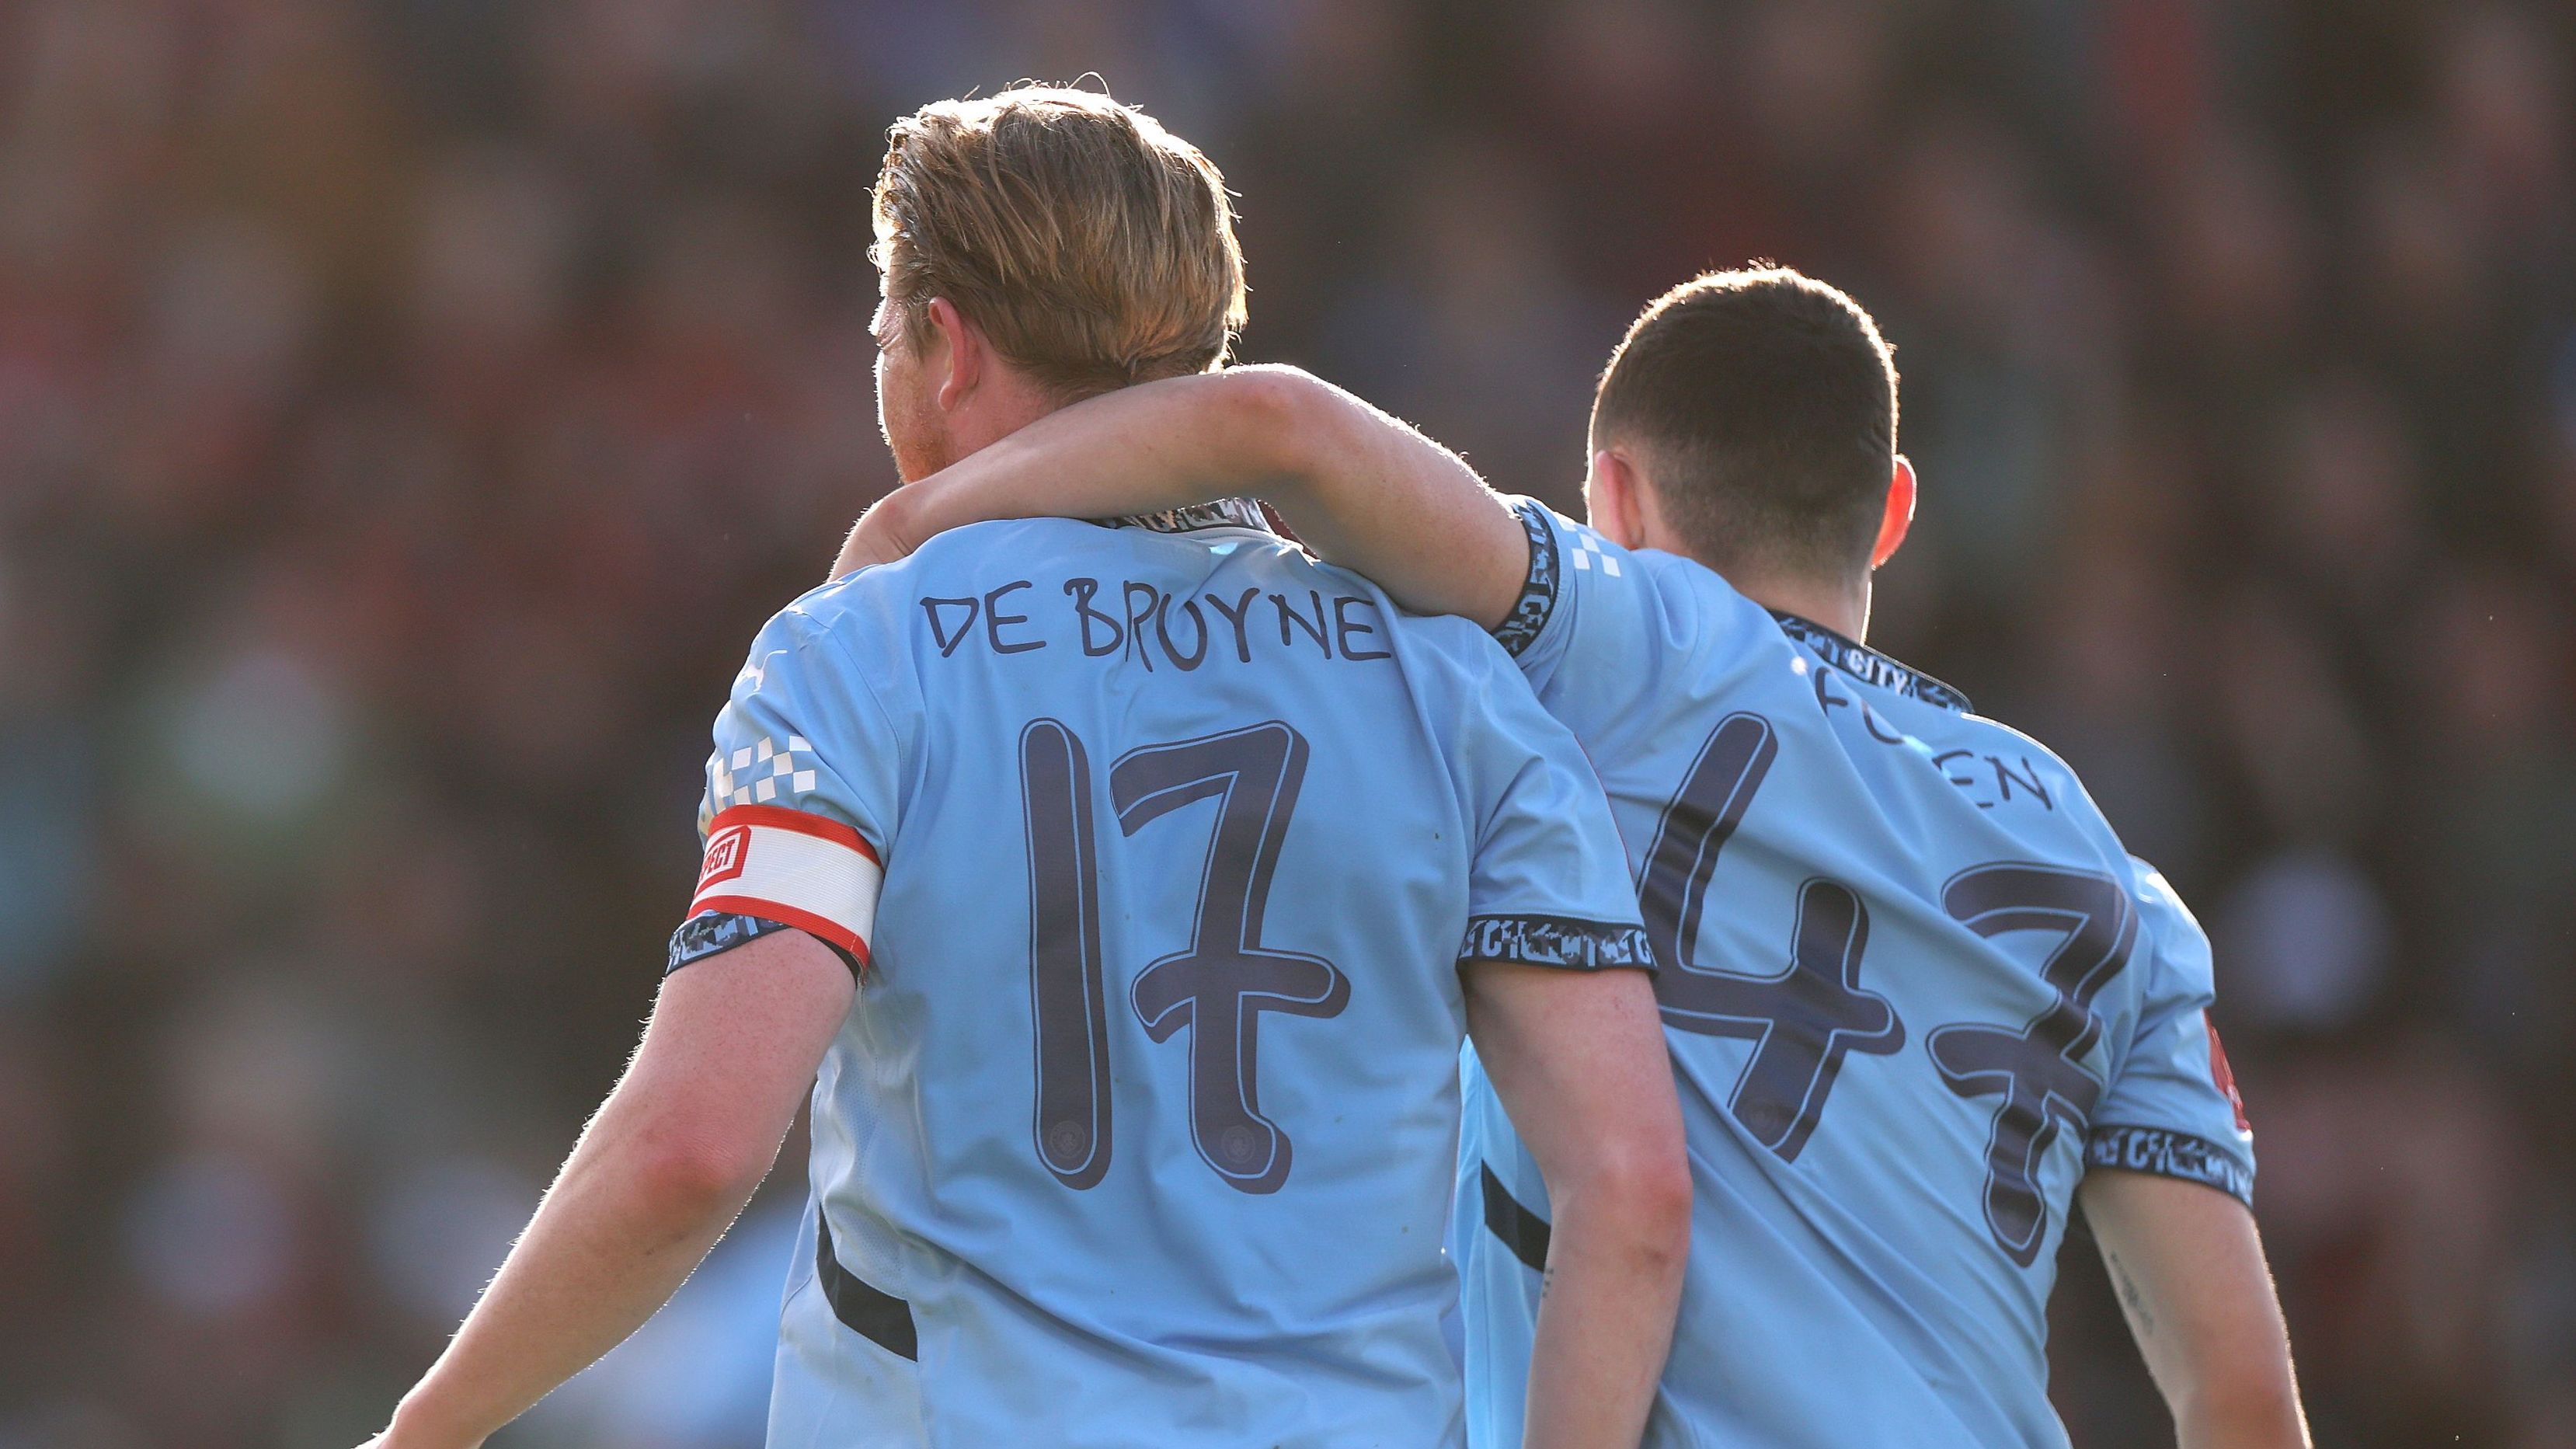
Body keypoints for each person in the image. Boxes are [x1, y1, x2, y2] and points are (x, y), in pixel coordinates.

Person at [364, 86, 1690, 1449]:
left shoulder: (860, 653)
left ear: (945, 346)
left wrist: (428, 1428)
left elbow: (690, 1150)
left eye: (882, 331)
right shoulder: (1457, 687)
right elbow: (1633, 1191)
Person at [837, 266, 2314, 1448]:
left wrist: (918, 517)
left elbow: (1285, 426)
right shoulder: (2109, 873)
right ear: (1893, 513)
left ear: (1611, 497)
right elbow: (2241, 1399)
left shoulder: (1638, 652)